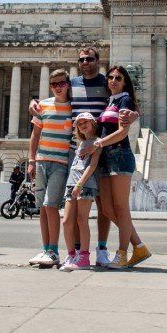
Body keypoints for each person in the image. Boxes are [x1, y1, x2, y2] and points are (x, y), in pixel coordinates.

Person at [29, 47, 138, 268]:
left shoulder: (107, 83)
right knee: (78, 205)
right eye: (82, 59)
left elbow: (124, 103)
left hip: (102, 148)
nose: (85, 62)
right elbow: (57, 98)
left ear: (98, 60)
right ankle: (79, 251)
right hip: (75, 150)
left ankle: (102, 248)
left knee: (103, 205)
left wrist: (135, 113)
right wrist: (35, 101)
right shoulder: (73, 84)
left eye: (90, 59)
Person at [96, 65, 151, 269]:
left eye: (118, 78)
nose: (113, 80)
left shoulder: (125, 100)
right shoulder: (110, 101)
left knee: (120, 207)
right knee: (107, 209)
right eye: (110, 77)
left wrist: (99, 143)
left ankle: (122, 253)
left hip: (119, 154)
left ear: (125, 81)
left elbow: (122, 132)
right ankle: (138, 245)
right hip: (104, 158)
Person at [28, 69, 74, 268]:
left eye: (61, 83)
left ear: (68, 84)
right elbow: (35, 135)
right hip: (41, 161)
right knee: (42, 208)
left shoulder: (73, 108)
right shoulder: (43, 105)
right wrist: (31, 160)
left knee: (51, 205)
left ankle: (54, 250)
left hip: (60, 163)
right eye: (54, 84)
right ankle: (45, 247)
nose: (58, 87)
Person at [59, 112, 102, 271]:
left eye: (86, 122)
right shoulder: (81, 143)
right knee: (67, 221)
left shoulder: (97, 142)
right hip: (72, 183)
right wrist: (73, 184)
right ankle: (71, 254)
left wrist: (80, 184)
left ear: (92, 123)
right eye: (79, 123)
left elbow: (92, 165)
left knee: (81, 220)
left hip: (85, 184)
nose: (82, 125)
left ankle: (84, 256)